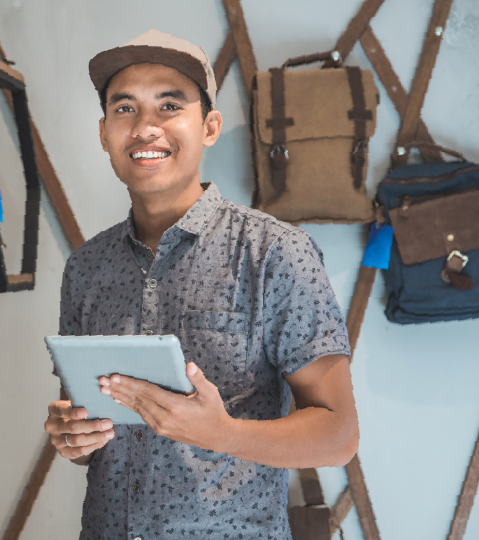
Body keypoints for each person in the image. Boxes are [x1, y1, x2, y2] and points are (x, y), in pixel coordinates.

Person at [43, 30, 359, 539]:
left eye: (169, 105)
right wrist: (73, 435)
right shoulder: (85, 268)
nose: (145, 127)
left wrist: (224, 434)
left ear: (209, 126)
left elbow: (338, 434)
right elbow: (89, 423)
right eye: (125, 109)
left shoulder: (275, 253)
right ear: (104, 133)